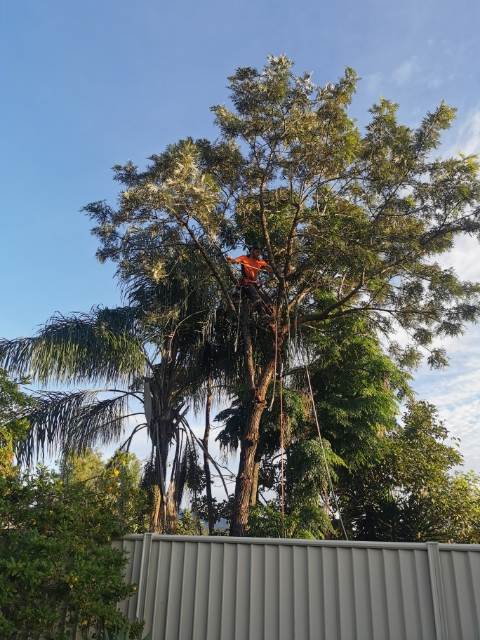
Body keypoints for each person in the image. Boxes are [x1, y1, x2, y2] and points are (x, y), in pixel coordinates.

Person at [226, 247, 273, 314]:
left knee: (266, 300)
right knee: (256, 298)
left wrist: (270, 270)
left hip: (254, 284)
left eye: (259, 253)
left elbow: (269, 268)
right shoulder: (244, 258)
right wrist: (230, 259)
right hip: (245, 283)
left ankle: (270, 314)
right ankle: (262, 314)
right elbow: (234, 261)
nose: (258, 254)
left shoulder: (259, 261)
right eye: (257, 252)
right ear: (251, 251)